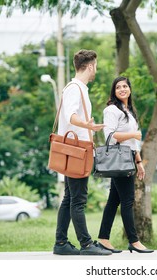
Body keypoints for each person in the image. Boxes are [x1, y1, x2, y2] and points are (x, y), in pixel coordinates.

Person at [53, 49, 111, 256]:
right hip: (76, 151)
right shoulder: (75, 88)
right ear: (89, 66)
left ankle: (60, 243)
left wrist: (86, 127)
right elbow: (71, 116)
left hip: (77, 150)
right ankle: (86, 244)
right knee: (78, 199)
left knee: (70, 198)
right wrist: (87, 125)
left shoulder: (80, 88)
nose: (96, 69)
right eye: (95, 65)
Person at [97, 76, 154, 254]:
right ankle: (134, 241)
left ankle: (103, 239)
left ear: (129, 89)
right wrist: (133, 135)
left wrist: (139, 162)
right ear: (114, 92)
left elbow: (132, 143)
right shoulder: (111, 110)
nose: (122, 89)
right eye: (118, 87)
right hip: (119, 159)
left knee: (113, 201)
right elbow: (111, 136)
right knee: (127, 201)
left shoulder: (129, 111)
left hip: (128, 157)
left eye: (125, 86)